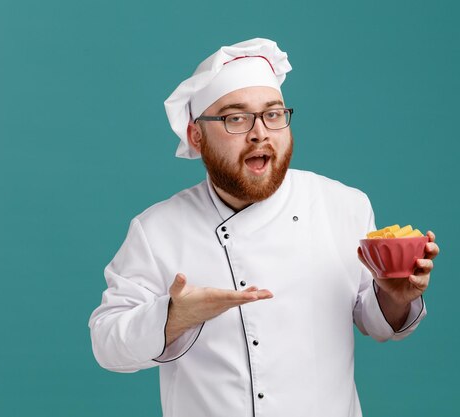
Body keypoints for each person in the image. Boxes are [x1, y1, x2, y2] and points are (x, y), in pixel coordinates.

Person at [89, 38, 440, 417]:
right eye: (236, 119)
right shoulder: (157, 230)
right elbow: (107, 344)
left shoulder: (343, 205)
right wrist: (174, 316)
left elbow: (375, 322)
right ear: (196, 135)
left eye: (273, 114)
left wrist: (395, 296)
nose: (260, 133)